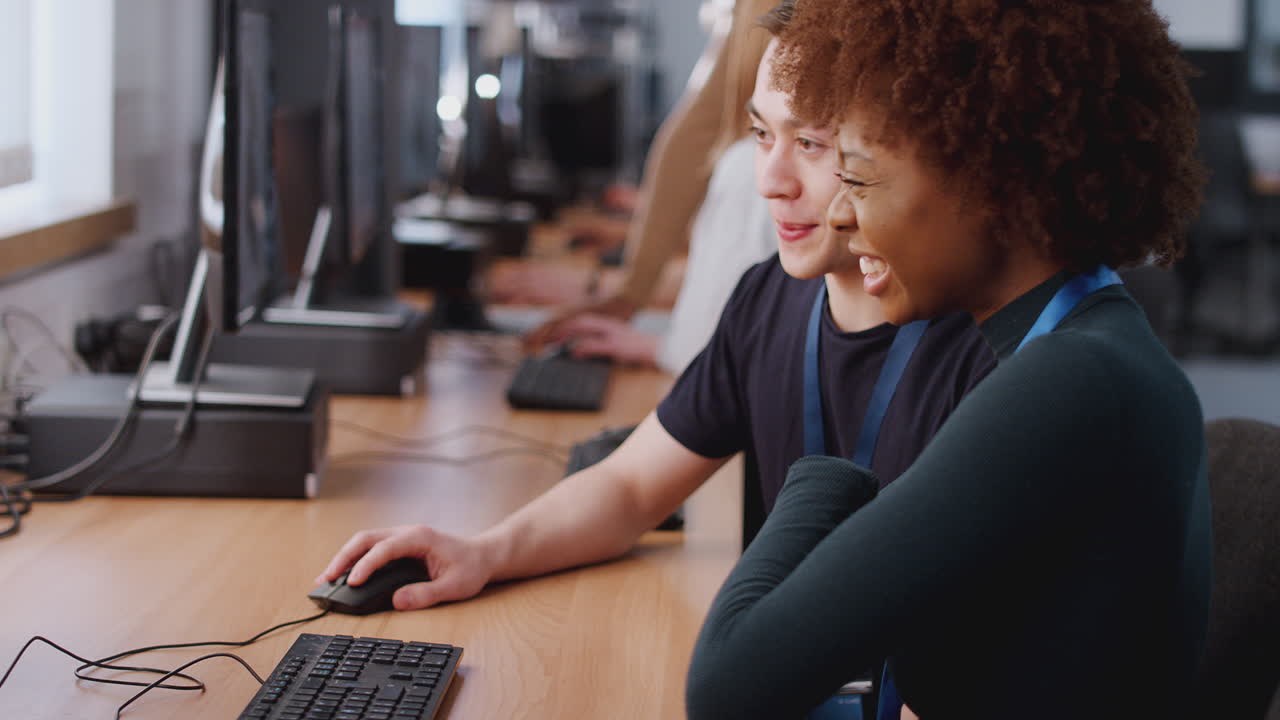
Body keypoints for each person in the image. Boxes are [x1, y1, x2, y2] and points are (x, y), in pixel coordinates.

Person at [315, 10, 994, 641]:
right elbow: (633, 485)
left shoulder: (984, 351)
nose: (771, 180)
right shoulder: (769, 301)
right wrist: (483, 552)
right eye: (762, 135)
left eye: (811, 143)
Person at [685, 2, 1212, 719]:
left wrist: (823, 479)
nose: (841, 215)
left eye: (861, 179)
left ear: (989, 181)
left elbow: (728, 689)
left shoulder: (1073, 385)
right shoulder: (1087, 348)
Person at [520, 0, 779, 374]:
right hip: (714, 367)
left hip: (728, 372)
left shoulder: (755, 168)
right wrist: (630, 292)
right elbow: (699, 130)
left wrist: (624, 292)